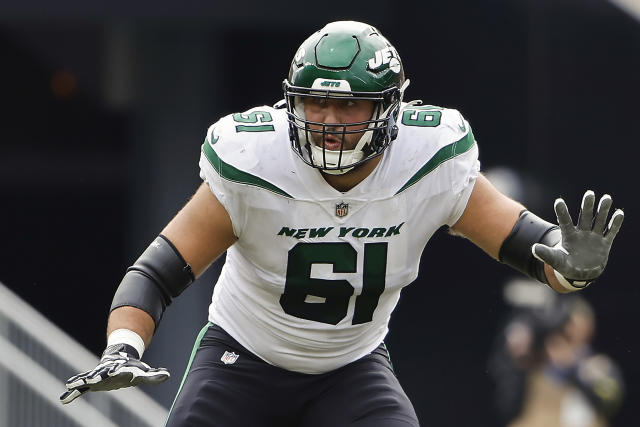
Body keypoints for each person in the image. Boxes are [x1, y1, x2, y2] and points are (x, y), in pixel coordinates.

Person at [59, 21, 624, 426]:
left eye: (350, 106)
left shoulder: (430, 158)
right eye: (315, 105)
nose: (329, 122)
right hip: (242, 359)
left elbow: (529, 247)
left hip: (350, 365)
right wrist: (123, 346)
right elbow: (160, 270)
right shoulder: (256, 160)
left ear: (390, 110)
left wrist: (570, 268)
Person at [489, 280, 624, 427]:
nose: (573, 332)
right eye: (567, 329)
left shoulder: (596, 364)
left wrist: (577, 369)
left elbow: (611, 400)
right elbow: (505, 398)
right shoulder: (536, 361)